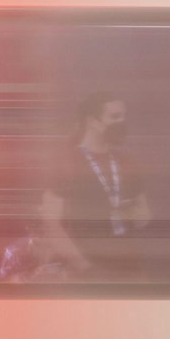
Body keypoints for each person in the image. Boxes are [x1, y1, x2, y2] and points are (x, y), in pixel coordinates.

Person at [39, 91, 151, 280]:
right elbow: (51, 225)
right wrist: (85, 268)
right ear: (92, 121)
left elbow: (145, 217)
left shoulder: (127, 161)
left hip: (130, 267)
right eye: (115, 117)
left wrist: (128, 211)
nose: (122, 122)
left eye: (124, 116)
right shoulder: (66, 162)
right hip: (86, 269)